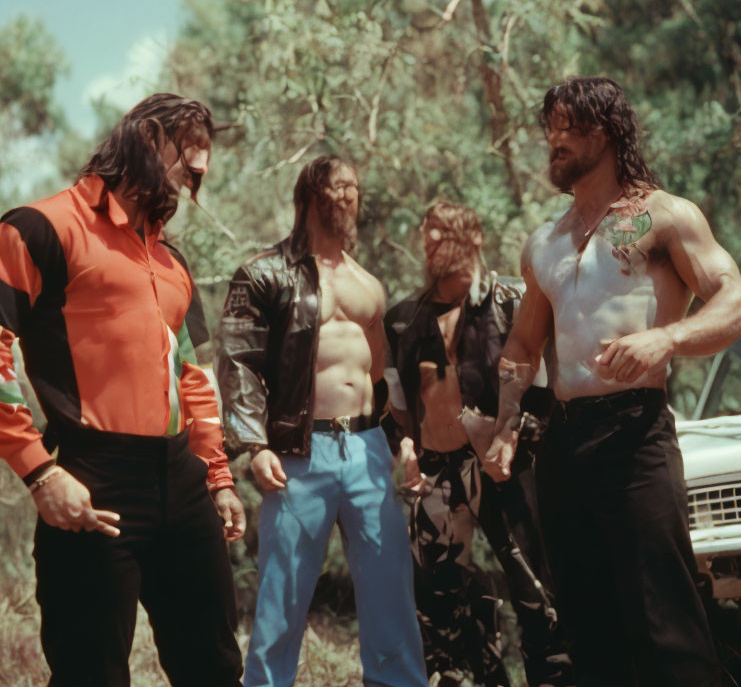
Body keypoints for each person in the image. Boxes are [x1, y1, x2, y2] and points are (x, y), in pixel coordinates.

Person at [487, 76, 741, 686]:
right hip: (564, 445)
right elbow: (524, 346)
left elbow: (734, 303)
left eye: (565, 127)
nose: (552, 140)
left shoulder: (662, 215)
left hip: (636, 437)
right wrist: (505, 422)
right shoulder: (545, 242)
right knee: (588, 631)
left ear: (602, 131)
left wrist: (666, 339)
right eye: (548, 128)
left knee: (667, 626)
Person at [0, 93, 245, 687]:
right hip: (93, 480)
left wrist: (216, 476)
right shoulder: (39, 228)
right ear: (147, 137)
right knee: (91, 675)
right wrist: (39, 472)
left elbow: (194, 377)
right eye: (187, 164)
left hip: (183, 484)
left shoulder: (171, 261)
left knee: (213, 669)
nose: (195, 181)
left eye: (201, 172)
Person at [217, 154, 428, 687]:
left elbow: (384, 377)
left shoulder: (367, 283)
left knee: (390, 594)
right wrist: (253, 444)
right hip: (297, 451)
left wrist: (404, 440)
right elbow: (237, 361)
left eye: (354, 187)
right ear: (309, 193)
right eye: (337, 187)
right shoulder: (263, 273)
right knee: (281, 599)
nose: (348, 196)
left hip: (367, 448)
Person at [384, 201, 572, 687]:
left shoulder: (514, 300)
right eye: (426, 234)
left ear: (475, 237)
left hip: (508, 468)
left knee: (537, 594)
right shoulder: (405, 317)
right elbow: (398, 399)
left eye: (443, 232)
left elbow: (549, 388)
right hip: (436, 475)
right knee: (435, 604)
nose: (431, 242)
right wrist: (404, 446)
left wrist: (514, 436)